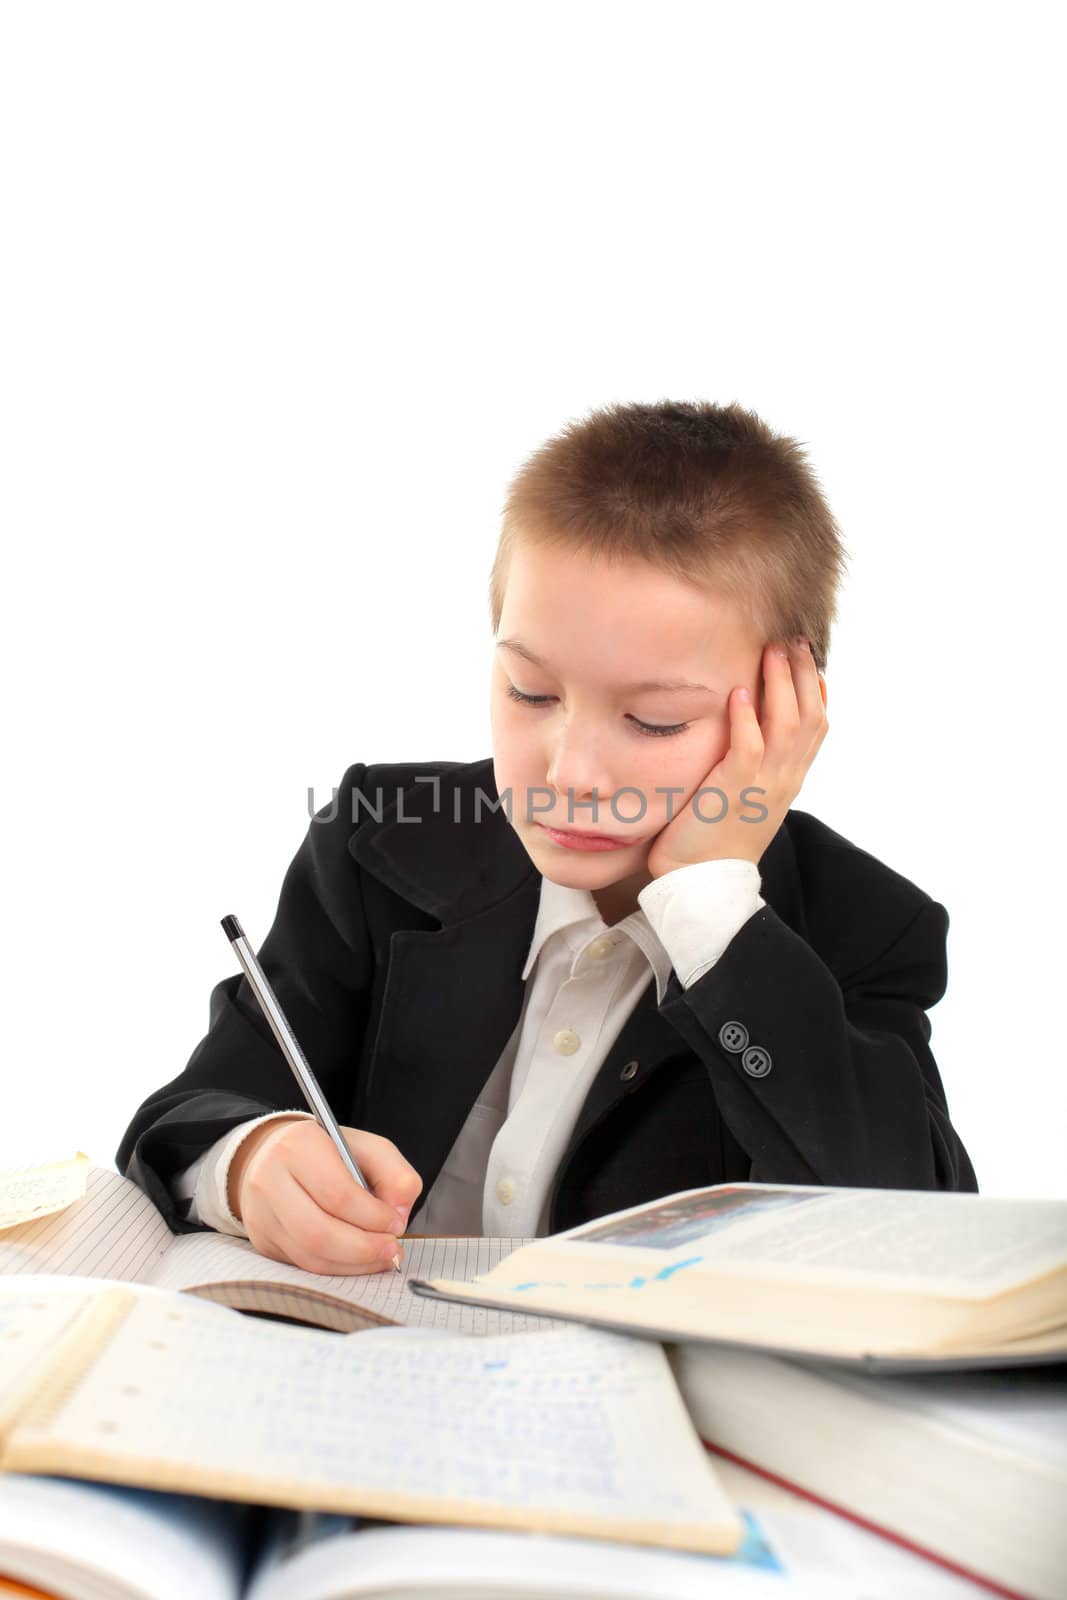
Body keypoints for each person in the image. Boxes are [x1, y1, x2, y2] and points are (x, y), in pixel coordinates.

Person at [115, 399, 978, 1278]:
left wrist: (710, 903)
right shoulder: (385, 841)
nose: (571, 773)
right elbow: (194, 1105)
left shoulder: (860, 927)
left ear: (787, 711)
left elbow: (910, 1231)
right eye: (530, 692)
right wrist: (251, 1157)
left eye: (652, 719)